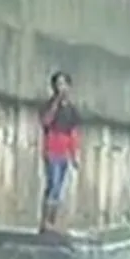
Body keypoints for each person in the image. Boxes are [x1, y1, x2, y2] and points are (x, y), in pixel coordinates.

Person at [39, 71, 82, 233]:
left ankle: (51, 221)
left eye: (64, 84)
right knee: (53, 185)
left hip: (64, 153)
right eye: (58, 84)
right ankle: (46, 222)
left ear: (69, 87)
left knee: (59, 189)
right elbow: (46, 121)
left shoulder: (72, 110)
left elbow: (74, 134)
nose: (61, 87)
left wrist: (74, 154)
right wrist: (56, 103)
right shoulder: (49, 105)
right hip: (51, 150)